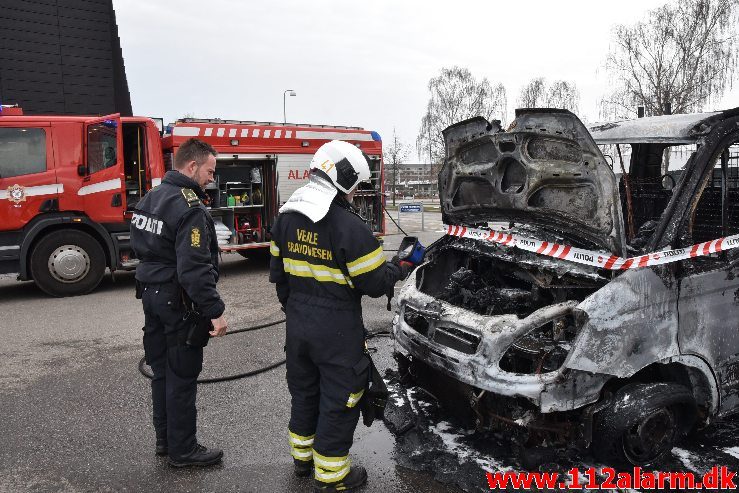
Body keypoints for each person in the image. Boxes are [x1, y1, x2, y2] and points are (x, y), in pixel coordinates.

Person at [269, 140, 409, 492]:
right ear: (345, 177)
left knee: (304, 392)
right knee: (339, 397)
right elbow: (375, 284)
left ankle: (302, 460)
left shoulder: (285, 217)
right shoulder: (350, 227)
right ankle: (332, 476)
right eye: (357, 184)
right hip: (336, 330)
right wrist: (402, 265)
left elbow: (279, 279)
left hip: (298, 324)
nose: (357, 191)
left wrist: (299, 312)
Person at [130, 138, 228, 467]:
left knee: (162, 372)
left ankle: (165, 440)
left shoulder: (151, 197)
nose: (211, 178)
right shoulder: (190, 208)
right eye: (209, 171)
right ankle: (183, 450)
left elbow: (140, 246)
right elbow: (194, 269)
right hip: (177, 301)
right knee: (181, 377)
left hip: (151, 295)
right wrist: (215, 313)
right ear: (191, 166)